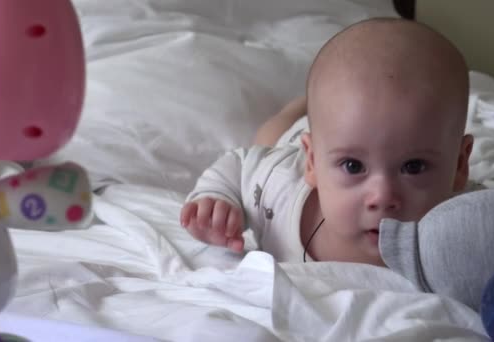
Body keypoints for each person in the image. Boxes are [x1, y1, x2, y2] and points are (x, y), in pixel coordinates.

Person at [179, 17, 475, 266]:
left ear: (460, 166)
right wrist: (219, 197)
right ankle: (299, 107)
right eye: (353, 165)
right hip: (292, 143)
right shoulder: (277, 186)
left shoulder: (469, 220)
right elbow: (239, 164)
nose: (383, 197)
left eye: (414, 166)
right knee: (271, 135)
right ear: (312, 163)